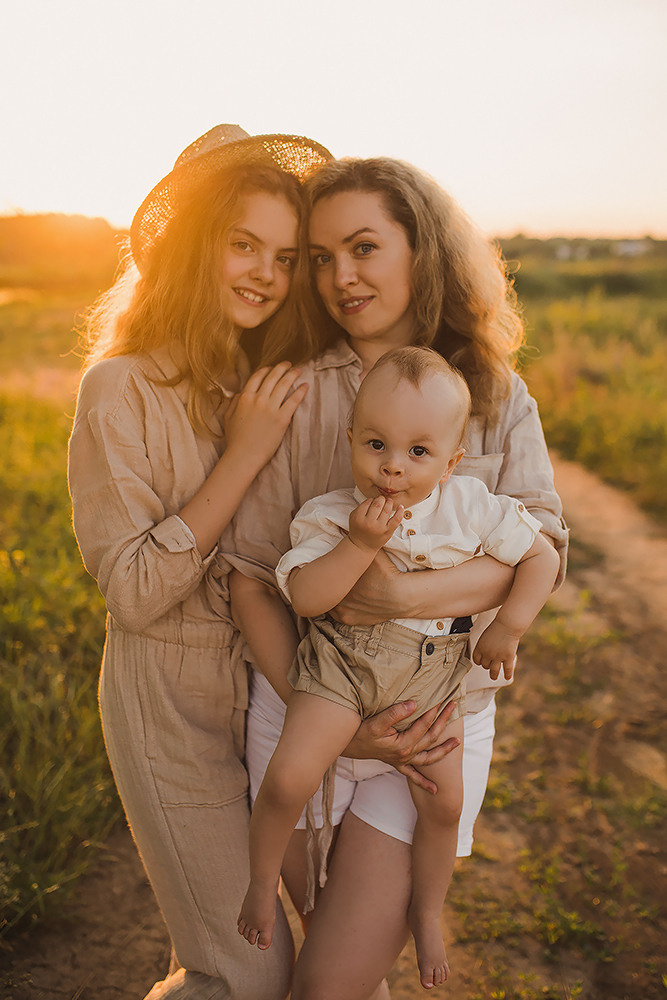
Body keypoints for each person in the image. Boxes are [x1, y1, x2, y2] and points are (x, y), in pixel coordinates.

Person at [228, 157, 569, 1000]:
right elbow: (245, 579)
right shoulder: (295, 392)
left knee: (328, 984)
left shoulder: (494, 395)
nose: (339, 276)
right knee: (317, 946)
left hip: (430, 727)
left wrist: (403, 598)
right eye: (318, 256)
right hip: (305, 706)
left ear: (421, 250)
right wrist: (340, 726)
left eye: (364, 247)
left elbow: (542, 545)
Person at [67, 124, 337, 1000]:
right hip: (168, 703)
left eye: (286, 254)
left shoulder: (264, 379)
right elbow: (137, 591)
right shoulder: (121, 389)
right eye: (243, 244)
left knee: (334, 953)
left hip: (264, 696)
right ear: (194, 250)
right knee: (244, 971)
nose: (266, 272)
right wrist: (242, 457)